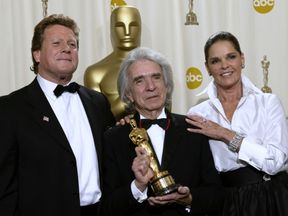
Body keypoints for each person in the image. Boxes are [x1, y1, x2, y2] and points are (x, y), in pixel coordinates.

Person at [0, 14, 115, 216]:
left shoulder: (98, 102)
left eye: (72, 44)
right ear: (37, 54)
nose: (67, 48)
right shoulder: (10, 108)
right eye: (57, 43)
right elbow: (4, 183)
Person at [101, 47, 224, 216]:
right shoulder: (113, 138)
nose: (150, 87)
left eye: (156, 77)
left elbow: (216, 195)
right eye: (139, 81)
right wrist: (138, 186)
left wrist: (189, 198)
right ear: (128, 94)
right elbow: (107, 207)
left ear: (166, 85)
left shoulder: (193, 129)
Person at [186, 31, 288, 216]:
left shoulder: (268, 103)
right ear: (207, 67)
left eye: (231, 57)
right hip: (223, 204)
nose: (224, 65)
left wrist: (225, 134)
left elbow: (276, 161)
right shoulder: (198, 115)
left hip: (271, 198)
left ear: (242, 59)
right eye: (215, 61)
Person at [84, 5, 141, 120]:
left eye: (133, 25)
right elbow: (98, 120)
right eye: (120, 26)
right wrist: (133, 97)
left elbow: (165, 113)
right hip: (112, 136)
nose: (127, 32)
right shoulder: (95, 73)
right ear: (111, 30)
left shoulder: (157, 68)